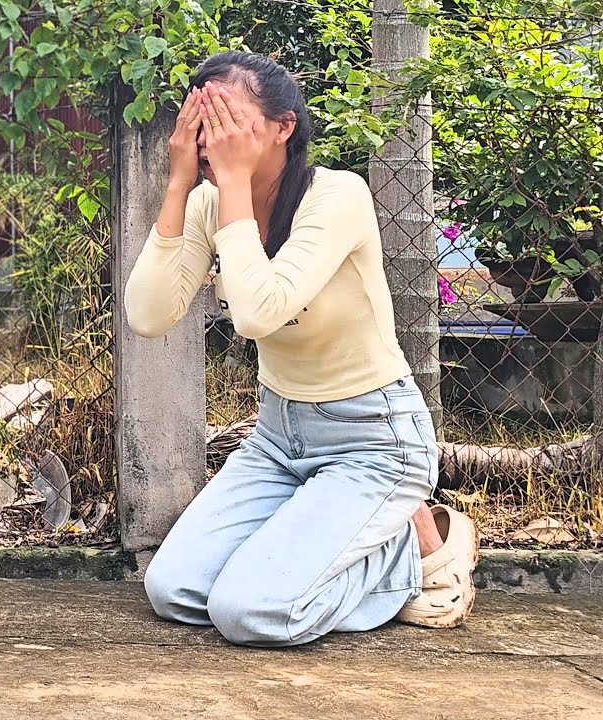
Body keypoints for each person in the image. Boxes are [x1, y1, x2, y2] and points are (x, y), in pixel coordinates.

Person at [123, 51, 479, 647]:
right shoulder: (209, 203)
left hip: (373, 440)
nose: (213, 140)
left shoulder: (337, 196)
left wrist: (231, 186)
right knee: (174, 589)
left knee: (249, 612)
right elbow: (148, 314)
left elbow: (258, 313)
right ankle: (351, 531)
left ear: (283, 127)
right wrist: (180, 185)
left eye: (229, 121)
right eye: (201, 123)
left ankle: (408, 544)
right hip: (277, 437)